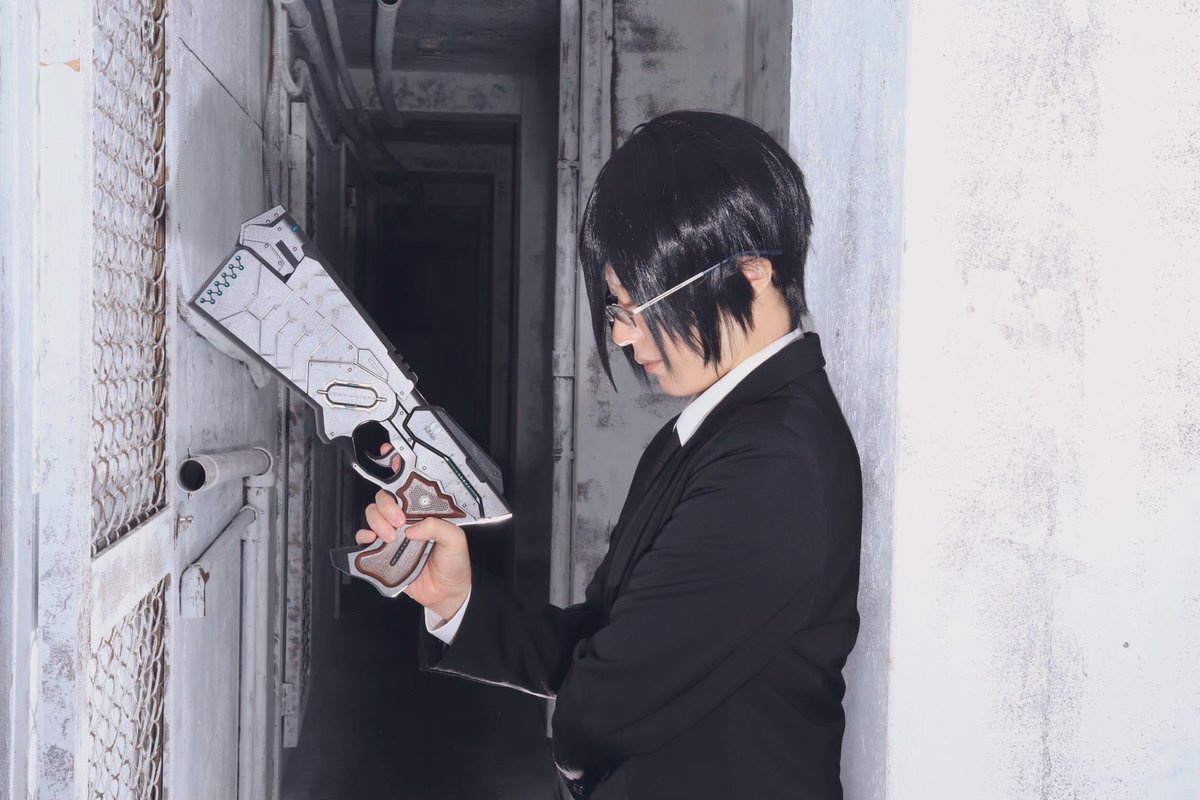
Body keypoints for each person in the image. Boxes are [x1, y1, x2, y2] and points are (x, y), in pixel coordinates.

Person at [356, 110, 863, 800]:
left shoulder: (776, 464)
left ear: (750, 273)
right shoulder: (711, 433)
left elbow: (603, 704)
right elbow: (602, 639)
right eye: (618, 307)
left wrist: (574, 743)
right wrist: (459, 598)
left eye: (640, 306)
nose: (623, 336)